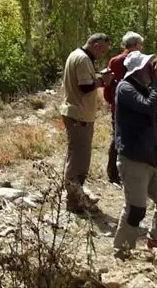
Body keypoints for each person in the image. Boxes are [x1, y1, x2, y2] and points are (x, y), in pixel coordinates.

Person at [112, 51, 157, 258]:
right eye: (148, 66)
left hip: (151, 154)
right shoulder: (125, 88)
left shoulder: (145, 86)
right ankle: (122, 249)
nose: (152, 68)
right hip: (132, 158)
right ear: (138, 70)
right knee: (136, 209)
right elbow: (149, 107)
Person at [61, 33, 112, 213]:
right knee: (78, 161)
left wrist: (97, 77)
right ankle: (74, 201)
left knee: (77, 157)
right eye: (103, 50)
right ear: (96, 45)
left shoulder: (77, 55)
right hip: (79, 116)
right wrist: (102, 81)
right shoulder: (82, 59)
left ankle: (76, 197)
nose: (102, 55)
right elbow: (84, 86)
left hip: (77, 113)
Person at [104, 31, 144, 185]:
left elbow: (108, 86)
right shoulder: (140, 61)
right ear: (135, 45)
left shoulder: (114, 60)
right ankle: (129, 171)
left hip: (117, 106)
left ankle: (113, 173)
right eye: (140, 45)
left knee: (117, 137)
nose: (141, 48)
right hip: (136, 106)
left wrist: (111, 101)